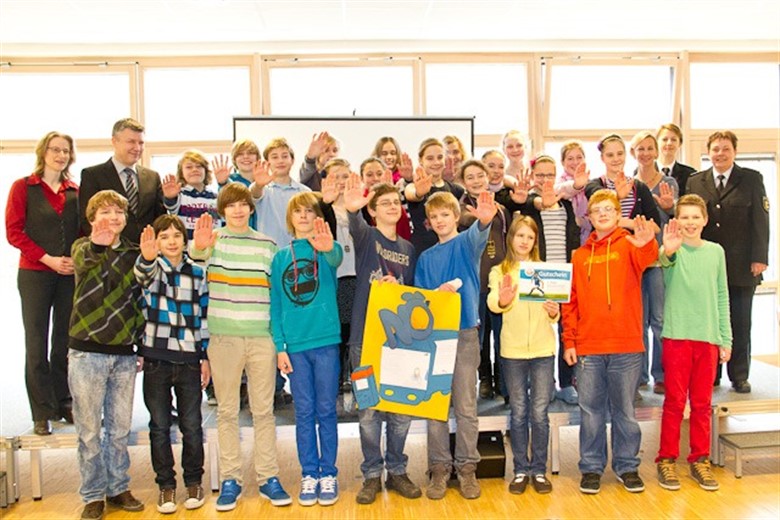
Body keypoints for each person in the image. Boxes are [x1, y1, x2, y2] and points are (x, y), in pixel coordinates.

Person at [190, 184, 292, 511]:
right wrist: (199, 246)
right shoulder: (212, 240)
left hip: (262, 338)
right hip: (224, 338)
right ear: (222, 210)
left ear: (251, 208)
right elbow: (195, 258)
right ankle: (230, 479)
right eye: (231, 205)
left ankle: (268, 477)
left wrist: (279, 341)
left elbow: (278, 294)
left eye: (242, 204)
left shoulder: (268, 245)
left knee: (263, 411)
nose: (237, 210)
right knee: (227, 411)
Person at [562, 189, 658, 495]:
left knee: (624, 412)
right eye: (597, 210)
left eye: (608, 209)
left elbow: (649, 257)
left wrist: (648, 242)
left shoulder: (630, 245)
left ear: (618, 215)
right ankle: (591, 468)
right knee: (590, 412)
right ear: (589, 217)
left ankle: (627, 466)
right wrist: (569, 341)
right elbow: (570, 303)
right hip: (589, 348)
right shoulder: (579, 256)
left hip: (626, 347)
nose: (602, 214)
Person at [341, 176, 421, 504]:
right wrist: (352, 210)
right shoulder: (367, 237)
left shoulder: (409, 249)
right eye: (384, 203)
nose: (392, 207)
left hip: (399, 341)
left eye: (396, 202)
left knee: (401, 412)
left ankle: (398, 470)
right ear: (372, 211)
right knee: (369, 412)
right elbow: (355, 222)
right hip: (364, 340)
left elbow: (412, 294)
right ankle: (372, 474)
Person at [68, 190, 146, 520]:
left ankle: (117, 488)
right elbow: (84, 261)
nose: (112, 217)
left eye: (118, 212)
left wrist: (140, 345)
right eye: (105, 212)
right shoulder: (82, 247)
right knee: (88, 431)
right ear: (92, 218)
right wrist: (98, 245)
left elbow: (140, 300)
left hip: (124, 354)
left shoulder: (134, 252)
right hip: (86, 353)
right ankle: (92, 495)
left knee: (119, 429)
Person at [415, 190, 497, 501]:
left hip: (464, 334)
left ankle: (467, 468)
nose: (440, 221)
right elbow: (421, 301)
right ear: (429, 222)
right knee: (436, 407)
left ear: (456, 216)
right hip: (435, 337)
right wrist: (435, 296)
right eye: (434, 217)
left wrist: (485, 221)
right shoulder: (426, 258)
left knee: (465, 407)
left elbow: (479, 232)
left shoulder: (466, 243)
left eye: (445, 215)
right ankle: (439, 468)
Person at [654, 194, 732, 492]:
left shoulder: (716, 252)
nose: (690, 222)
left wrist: (725, 339)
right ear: (676, 220)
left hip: (708, 339)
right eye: (684, 217)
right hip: (677, 337)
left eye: (695, 217)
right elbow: (664, 259)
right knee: (674, 402)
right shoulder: (672, 249)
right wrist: (668, 249)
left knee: (702, 404)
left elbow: (722, 295)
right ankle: (666, 459)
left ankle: (700, 459)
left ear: (705, 220)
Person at [271, 193, 343, 507]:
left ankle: (329, 473)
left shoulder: (327, 248)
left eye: (308, 211)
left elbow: (335, 258)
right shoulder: (279, 258)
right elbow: (275, 305)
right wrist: (280, 347)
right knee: (304, 412)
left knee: (326, 410)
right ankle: (309, 473)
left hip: (326, 342)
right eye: (297, 211)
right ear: (290, 218)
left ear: (317, 217)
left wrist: (327, 246)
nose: (303, 216)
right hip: (295, 347)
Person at [5, 131, 79, 436]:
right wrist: (48, 259)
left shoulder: (75, 191)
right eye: (55, 149)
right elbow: (14, 232)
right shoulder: (23, 187)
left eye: (65, 151)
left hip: (68, 275)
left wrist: (73, 260)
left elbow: (82, 232)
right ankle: (41, 411)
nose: (60, 155)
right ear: (43, 152)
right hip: (35, 274)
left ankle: (64, 401)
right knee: (36, 341)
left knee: (64, 341)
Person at [134, 215, 210, 513]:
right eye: (164, 236)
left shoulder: (198, 272)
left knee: (192, 426)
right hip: (157, 359)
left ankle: (194, 482)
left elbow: (204, 317)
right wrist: (147, 257)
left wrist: (205, 356)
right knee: (160, 426)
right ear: (156, 242)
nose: (172, 241)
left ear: (185, 239)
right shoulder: (151, 268)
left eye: (176, 235)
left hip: (190, 360)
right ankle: (166, 485)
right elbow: (141, 276)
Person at [685, 130, 770, 393]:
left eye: (725, 149)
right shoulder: (696, 181)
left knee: (740, 322)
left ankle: (739, 375)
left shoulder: (751, 179)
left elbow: (761, 220)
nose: (720, 154)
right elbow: (689, 222)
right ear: (708, 152)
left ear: (735, 151)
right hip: (705, 266)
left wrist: (759, 257)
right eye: (716, 149)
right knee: (709, 322)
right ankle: (711, 374)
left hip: (742, 265)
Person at [502, 154, 581, 405]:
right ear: (533, 175)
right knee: (536, 329)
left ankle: (566, 382)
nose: (545, 179)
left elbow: (573, 237)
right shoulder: (528, 203)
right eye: (540, 174)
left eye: (550, 174)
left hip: (563, 276)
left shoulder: (565, 204)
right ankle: (537, 384)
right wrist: (534, 201)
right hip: (536, 275)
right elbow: (520, 203)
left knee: (566, 329)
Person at [488, 216, 559, 496]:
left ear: (535, 241)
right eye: (520, 235)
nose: (525, 241)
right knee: (518, 412)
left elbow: (555, 314)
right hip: (513, 352)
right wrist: (503, 299)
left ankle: (539, 470)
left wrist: (554, 312)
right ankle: (520, 470)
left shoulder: (546, 271)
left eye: (530, 237)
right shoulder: (499, 271)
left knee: (539, 413)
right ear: (511, 238)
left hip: (543, 351)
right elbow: (493, 303)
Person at [630, 131, 679, 395]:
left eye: (650, 148)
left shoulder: (668, 182)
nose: (646, 153)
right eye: (641, 148)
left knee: (659, 320)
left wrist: (669, 207)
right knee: (638, 320)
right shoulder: (628, 183)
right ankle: (639, 375)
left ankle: (661, 374)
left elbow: (674, 216)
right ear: (633, 153)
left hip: (659, 260)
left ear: (657, 151)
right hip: (636, 260)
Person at [458, 160, 510, 401]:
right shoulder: (462, 208)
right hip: (475, 279)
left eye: (480, 175)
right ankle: (485, 379)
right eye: (470, 177)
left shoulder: (501, 208)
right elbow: (464, 223)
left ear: (488, 177)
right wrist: (481, 217)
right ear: (463, 182)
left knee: (502, 334)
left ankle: (502, 381)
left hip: (499, 279)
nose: (476, 181)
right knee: (480, 336)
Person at [79, 118, 165, 242]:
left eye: (141, 143)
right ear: (114, 142)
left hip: (146, 249)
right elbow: (87, 218)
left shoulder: (153, 177)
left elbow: (160, 219)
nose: (137, 148)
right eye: (131, 142)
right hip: (109, 250)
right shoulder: (93, 175)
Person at [404, 138, 465, 253]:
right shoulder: (413, 187)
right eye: (430, 158)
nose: (436, 162)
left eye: (440, 157)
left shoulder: (456, 190)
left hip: (450, 252)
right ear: (421, 161)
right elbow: (411, 194)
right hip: (422, 252)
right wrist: (419, 192)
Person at [162, 149, 223, 239]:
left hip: (213, 245)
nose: (195, 170)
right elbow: (171, 205)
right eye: (189, 167)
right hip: (187, 246)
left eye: (199, 166)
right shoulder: (180, 195)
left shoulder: (216, 197)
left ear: (206, 171)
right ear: (181, 173)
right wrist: (170, 197)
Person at [358, 157, 412, 240]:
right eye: (369, 175)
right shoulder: (359, 204)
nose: (375, 178)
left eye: (379, 174)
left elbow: (404, 231)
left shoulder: (395, 199)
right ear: (362, 178)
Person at [214, 139, 261, 229]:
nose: (246, 157)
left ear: (257, 158)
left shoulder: (266, 183)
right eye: (240, 154)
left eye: (250, 153)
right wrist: (222, 183)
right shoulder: (228, 181)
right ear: (234, 159)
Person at [656, 123, 696, 195]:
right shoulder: (645, 171)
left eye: (673, 140)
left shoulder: (690, 174)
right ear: (656, 142)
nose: (669, 143)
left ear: (680, 143)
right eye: (665, 139)